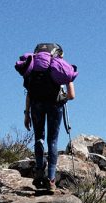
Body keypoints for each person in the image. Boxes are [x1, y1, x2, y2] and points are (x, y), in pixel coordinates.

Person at [17, 42, 76, 193]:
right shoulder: (60, 67)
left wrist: (26, 114)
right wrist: (62, 98)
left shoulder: (32, 68)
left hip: (36, 105)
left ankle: (38, 173)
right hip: (55, 105)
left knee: (39, 138)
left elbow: (29, 93)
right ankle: (51, 180)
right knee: (53, 141)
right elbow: (72, 95)